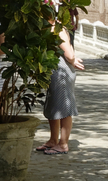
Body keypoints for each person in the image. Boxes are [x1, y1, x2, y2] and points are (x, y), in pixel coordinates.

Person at [39, 13, 85, 155]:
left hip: (62, 71)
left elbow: (69, 54)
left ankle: (63, 143)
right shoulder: (47, 27)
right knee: (54, 105)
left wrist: (72, 60)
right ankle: (53, 140)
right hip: (54, 70)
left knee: (64, 107)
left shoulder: (57, 29)